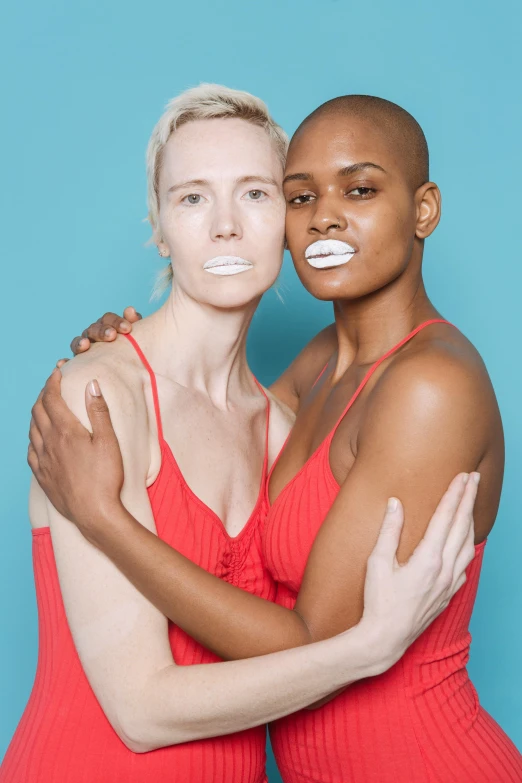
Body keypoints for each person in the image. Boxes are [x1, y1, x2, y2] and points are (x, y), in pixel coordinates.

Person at [0, 86, 478, 783]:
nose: (225, 224)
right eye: (192, 198)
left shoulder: (286, 421)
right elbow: (139, 710)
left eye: (256, 194)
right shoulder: (99, 398)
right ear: (160, 227)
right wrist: (368, 646)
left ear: (285, 220)